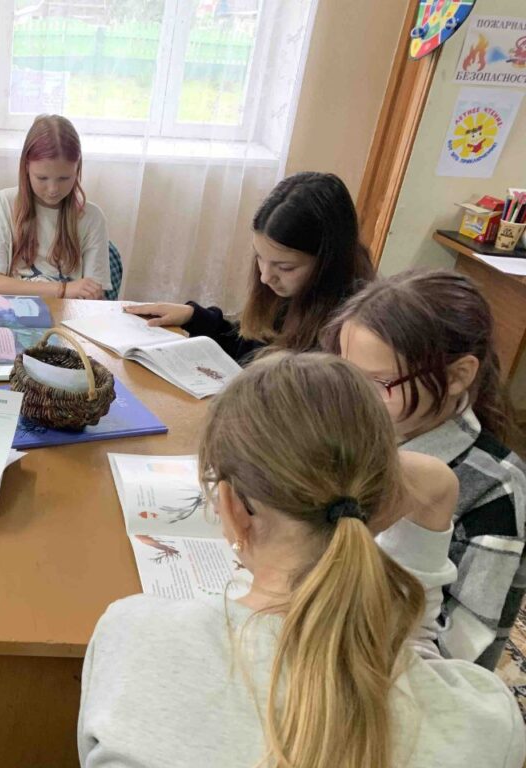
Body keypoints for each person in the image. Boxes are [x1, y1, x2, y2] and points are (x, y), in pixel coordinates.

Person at [79, 352, 525, 768]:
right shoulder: (487, 722)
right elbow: (414, 661)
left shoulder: (131, 636)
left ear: (231, 507)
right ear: (379, 497)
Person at [323, 269, 526, 669]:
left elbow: (456, 654)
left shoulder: (496, 491)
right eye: (348, 375)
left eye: (378, 383)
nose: (355, 398)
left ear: (457, 376)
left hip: (399, 673)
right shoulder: (372, 426)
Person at [126, 172, 373, 361]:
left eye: (285, 267)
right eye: (259, 257)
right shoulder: (289, 292)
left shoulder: (351, 332)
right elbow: (250, 347)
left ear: (328, 263)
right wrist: (194, 317)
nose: (265, 277)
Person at [0, 114, 111, 300]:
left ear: (77, 168)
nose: (53, 190)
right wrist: (63, 289)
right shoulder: (3, 203)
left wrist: (84, 293)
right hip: (10, 311)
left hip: (67, 314)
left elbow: (94, 294)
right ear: (26, 166)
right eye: (42, 178)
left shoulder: (92, 217)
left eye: (64, 178)